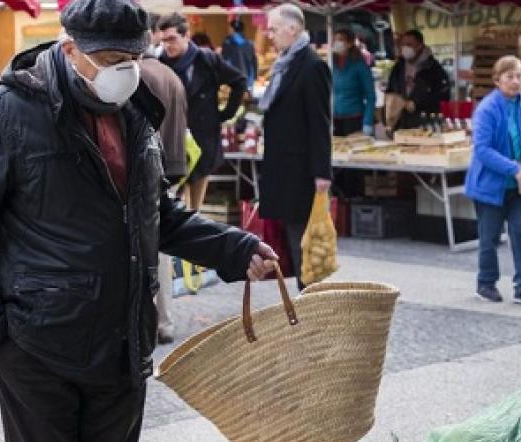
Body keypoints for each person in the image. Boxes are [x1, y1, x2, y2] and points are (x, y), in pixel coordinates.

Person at [0, 0, 277, 442]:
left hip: (123, 345)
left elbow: (157, 213)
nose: (127, 71)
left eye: (135, 57)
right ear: (71, 50)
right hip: (37, 348)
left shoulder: (135, 111)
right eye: (113, 60)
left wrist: (235, 249)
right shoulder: (7, 115)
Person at [258, 3, 331, 290]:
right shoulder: (285, 64)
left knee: (305, 243)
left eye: (274, 29)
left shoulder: (312, 65)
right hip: (284, 166)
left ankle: (311, 298)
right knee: (292, 238)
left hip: (300, 170)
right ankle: (305, 298)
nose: (270, 35)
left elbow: (320, 122)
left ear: (292, 28)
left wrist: (322, 173)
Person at [464, 56, 521, 306]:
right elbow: (482, 149)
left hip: (519, 185)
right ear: (497, 80)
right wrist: (513, 169)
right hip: (491, 184)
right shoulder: (487, 108)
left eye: (519, 76)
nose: (515, 82)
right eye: (509, 77)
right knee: (489, 237)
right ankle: (486, 284)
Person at [158, 12, 247, 211]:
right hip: (172, 140)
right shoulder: (159, 63)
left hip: (202, 136)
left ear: (186, 35)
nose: (167, 45)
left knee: (195, 208)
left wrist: (225, 114)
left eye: (172, 39)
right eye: (163, 40)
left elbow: (239, 81)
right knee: (174, 204)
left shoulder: (207, 60)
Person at [140, 38, 189, 345]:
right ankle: (165, 321)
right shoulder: (171, 75)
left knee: (147, 252)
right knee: (163, 252)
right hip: (173, 166)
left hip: (151, 173)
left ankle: (150, 322)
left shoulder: (139, 75)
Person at [385, 29, 450, 130]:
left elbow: (442, 96)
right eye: (403, 45)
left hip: (425, 124)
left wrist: (416, 103)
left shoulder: (433, 69)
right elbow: (390, 89)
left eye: (409, 45)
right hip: (401, 123)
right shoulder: (398, 67)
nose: (405, 48)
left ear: (419, 46)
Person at [332, 28, 376, 137]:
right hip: (335, 119)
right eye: (335, 40)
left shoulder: (360, 66)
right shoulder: (331, 65)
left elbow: (370, 96)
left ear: (350, 43)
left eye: (341, 40)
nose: (337, 43)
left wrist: (367, 122)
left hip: (355, 119)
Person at [222, 18, 259, 92]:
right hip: (248, 80)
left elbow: (224, 60)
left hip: (233, 80)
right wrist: (254, 77)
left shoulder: (228, 43)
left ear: (232, 29)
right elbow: (254, 62)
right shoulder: (250, 44)